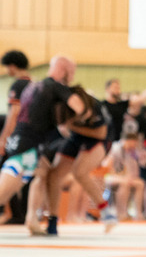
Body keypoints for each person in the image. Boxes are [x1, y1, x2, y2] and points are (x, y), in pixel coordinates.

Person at [0, 56, 86, 234]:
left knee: (41, 173)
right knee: (6, 189)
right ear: (63, 69)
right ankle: (32, 219)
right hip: (29, 142)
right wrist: (80, 123)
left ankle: (32, 219)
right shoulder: (56, 86)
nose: (71, 78)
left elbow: (17, 114)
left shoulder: (34, 86)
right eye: (71, 73)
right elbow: (79, 108)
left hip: (24, 139)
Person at [46, 86, 111, 233]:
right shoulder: (61, 105)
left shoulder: (95, 106)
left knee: (79, 172)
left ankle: (106, 212)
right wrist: (69, 125)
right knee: (54, 174)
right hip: (75, 138)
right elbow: (64, 128)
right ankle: (52, 219)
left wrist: (71, 126)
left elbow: (101, 134)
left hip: (96, 139)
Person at [0, 50, 32, 225]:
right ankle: (22, 214)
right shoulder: (33, 83)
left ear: (12, 66)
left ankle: (14, 213)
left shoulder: (18, 86)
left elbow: (14, 114)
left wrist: (4, 139)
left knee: (6, 170)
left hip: (17, 135)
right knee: (26, 175)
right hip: (31, 136)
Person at [98, 78, 146, 147]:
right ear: (107, 89)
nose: (118, 90)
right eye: (115, 87)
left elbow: (141, 98)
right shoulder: (102, 106)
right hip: (105, 142)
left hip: (118, 144)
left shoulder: (121, 105)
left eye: (118, 87)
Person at [103, 132, 146, 222]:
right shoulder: (115, 148)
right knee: (125, 183)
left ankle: (138, 213)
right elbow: (107, 167)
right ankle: (121, 213)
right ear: (128, 141)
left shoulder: (131, 151)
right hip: (109, 176)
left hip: (123, 177)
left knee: (140, 183)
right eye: (133, 143)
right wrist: (124, 177)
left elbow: (136, 168)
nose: (134, 145)